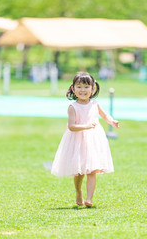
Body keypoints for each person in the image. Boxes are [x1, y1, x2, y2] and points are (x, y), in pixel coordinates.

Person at [51, 72, 119, 208]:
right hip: (78, 140)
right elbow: (71, 127)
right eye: (79, 87)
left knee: (92, 169)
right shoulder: (73, 107)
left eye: (86, 87)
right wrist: (86, 126)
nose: (83, 90)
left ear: (93, 89)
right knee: (79, 171)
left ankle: (89, 198)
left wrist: (112, 121)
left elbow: (104, 115)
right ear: (73, 89)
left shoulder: (95, 104)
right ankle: (78, 191)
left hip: (94, 139)